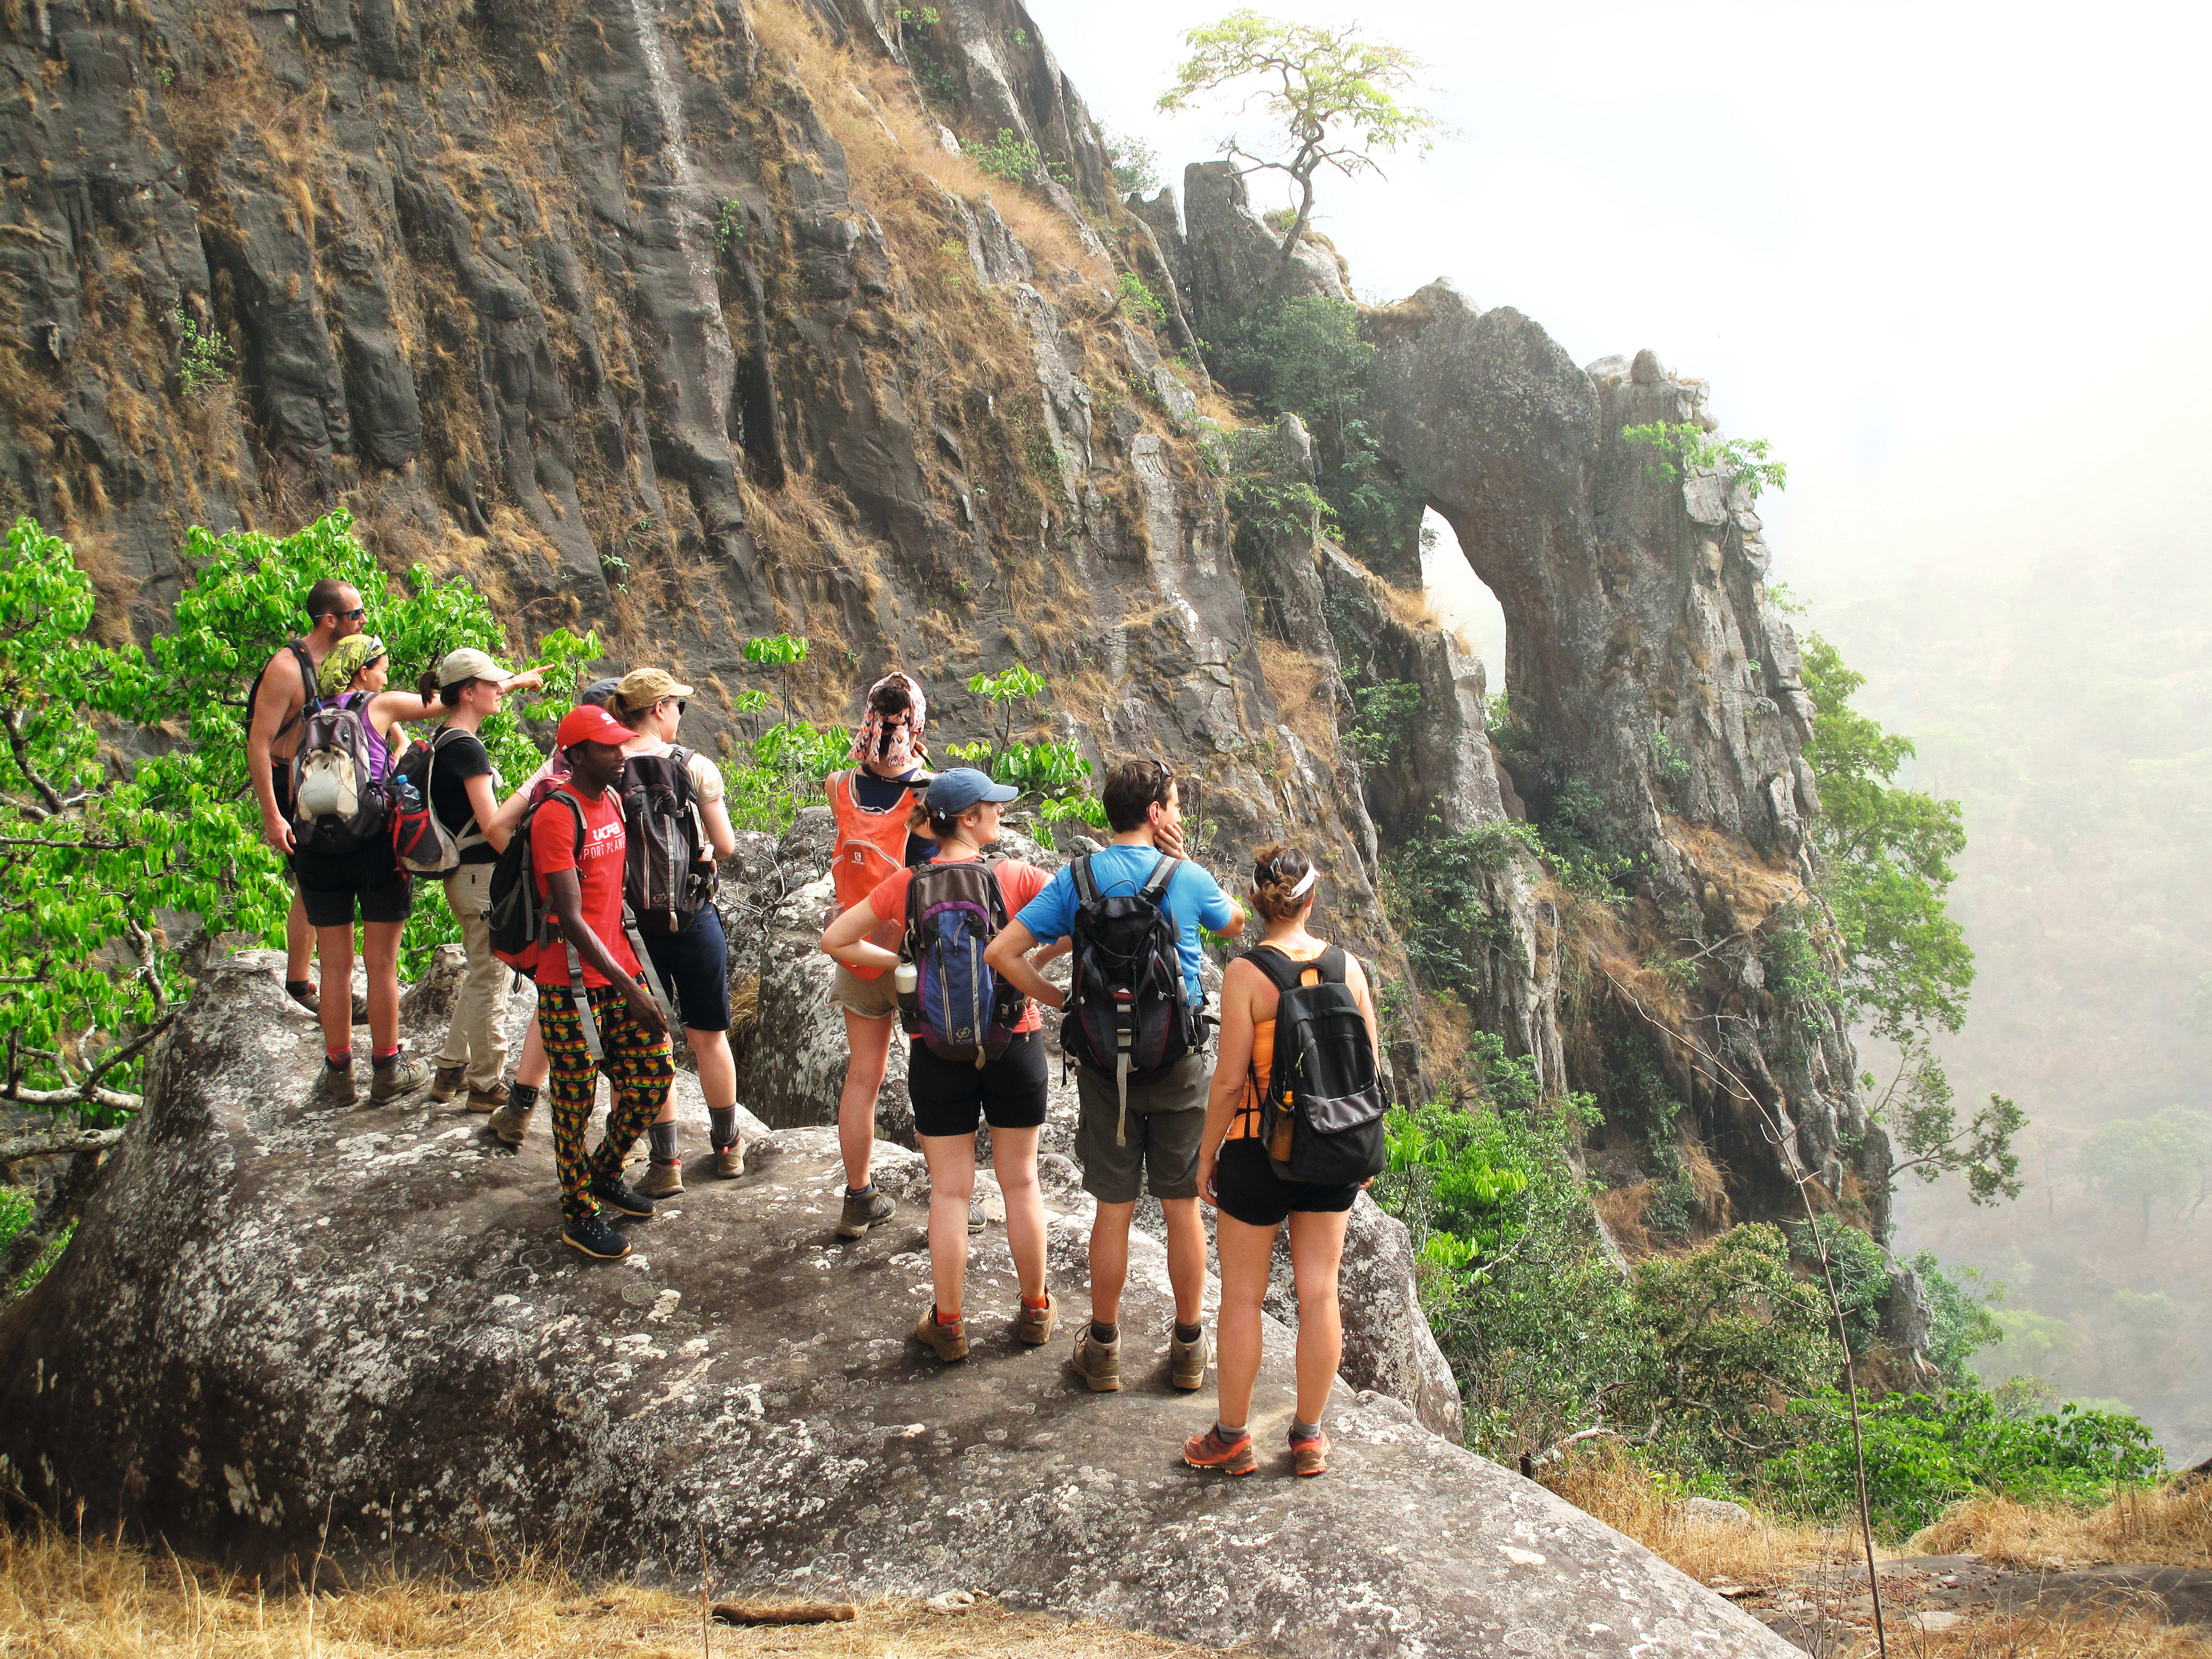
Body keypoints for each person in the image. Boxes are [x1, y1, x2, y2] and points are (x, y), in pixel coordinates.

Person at [986, 758, 1244, 1394]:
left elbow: (1001, 952)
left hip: (1104, 1067)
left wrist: (1060, 1001)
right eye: (1175, 807)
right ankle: (1187, 1349)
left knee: (1114, 1209)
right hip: (1180, 1064)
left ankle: (1102, 1347)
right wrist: (1183, 860)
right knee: (1182, 1208)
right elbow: (1236, 925)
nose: (1179, 816)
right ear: (1155, 814)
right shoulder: (1185, 877)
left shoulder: (1078, 879)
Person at [818, 768, 1063, 1360]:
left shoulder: (910, 883)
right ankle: (1035, 1311)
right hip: (1016, 1040)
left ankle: (949, 1324)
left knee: (950, 1192)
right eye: (993, 808)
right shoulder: (1018, 876)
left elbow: (836, 941)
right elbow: (1080, 920)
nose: (1001, 815)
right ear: (970, 819)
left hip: (937, 1048)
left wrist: (907, 958)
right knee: (1021, 1181)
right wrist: (1028, 961)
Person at [1183, 845, 1377, 1479]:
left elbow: (1229, 1082)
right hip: (1332, 1148)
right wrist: (1362, 1151)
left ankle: (1233, 1438)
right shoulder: (1351, 970)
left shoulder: (1247, 975)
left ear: (1261, 904)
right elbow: (1369, 1074)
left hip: (1257, 1151)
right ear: (1312, 900)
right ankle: (1310, 1438)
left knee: (1242, 1297)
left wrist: (1206, 1155)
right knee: (1321, 1293)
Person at [528, 702, 675, 1261]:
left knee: (654, 1075)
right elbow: (571, 919)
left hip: (618, 970)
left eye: (621, 745)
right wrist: (632, 988)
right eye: (608, 748)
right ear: (576, 754)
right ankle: (577, 1211)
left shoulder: (610, 800)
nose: (620, 755)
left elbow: (613, 898)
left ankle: (603, 1171)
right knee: (573, 1098)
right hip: (570, 985)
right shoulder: (557, 816)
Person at [608, 667, 745, 1192]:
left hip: (631, 928)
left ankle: (665, 1164)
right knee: (709, 1036)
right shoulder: (695, 766)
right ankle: (728, 1148)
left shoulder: (606, 764)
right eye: (678, 706)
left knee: (649, 1039)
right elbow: (726, 845)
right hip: (693, 917)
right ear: (660, 708)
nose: (680, 715)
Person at [295, 633, 446, 1105]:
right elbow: (444, 704)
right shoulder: (376, 705)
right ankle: (388, 1070)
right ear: (363, 673)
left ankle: (339, 1075)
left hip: (316, 848)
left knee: (335, 967)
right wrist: (512, 682)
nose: (385, 677)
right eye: (381, 668)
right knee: (381, 963)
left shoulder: (308, 714)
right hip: (373, 846)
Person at [823, 671, 937, 1239]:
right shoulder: (928, 796)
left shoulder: (838, 784)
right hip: (916, 958)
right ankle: (952, 1201)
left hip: (856, 947)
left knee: (863, 1077)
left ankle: (858, 1198)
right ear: (916, 725)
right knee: (933, 1079)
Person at [487, 676, 624, 1148]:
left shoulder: (550, 774)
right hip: (605, 930)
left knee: (554, 1017)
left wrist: (542, 879)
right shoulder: (620, 773)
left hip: (570, 935)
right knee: (607, 1035)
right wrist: (555, 872)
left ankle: (520, 1109)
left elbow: (499, 826)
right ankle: (628, 1142)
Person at [418, 647, 545, 1111]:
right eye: (491, 684)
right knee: (490, 977)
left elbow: (476, 693)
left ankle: (450, 1069)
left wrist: (515, 680)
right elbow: (492, 825)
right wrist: (527, 870)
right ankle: (486, 1084)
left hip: (463, 876)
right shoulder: (468, 749)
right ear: (468, 692)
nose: (500, 690)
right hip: (481, 877)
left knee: (479, 970)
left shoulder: (445, 737)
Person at [247, 578, 367, 1019]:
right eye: (356, 614)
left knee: (322, 878)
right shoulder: (287, 667)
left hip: (326, 778)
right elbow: (258, 742)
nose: (364, 620)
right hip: (289, 781)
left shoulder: (345, 658)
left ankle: (309, 979)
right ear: (330, 620)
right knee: (312, 879)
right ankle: (302, 982)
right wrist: (272, 816)